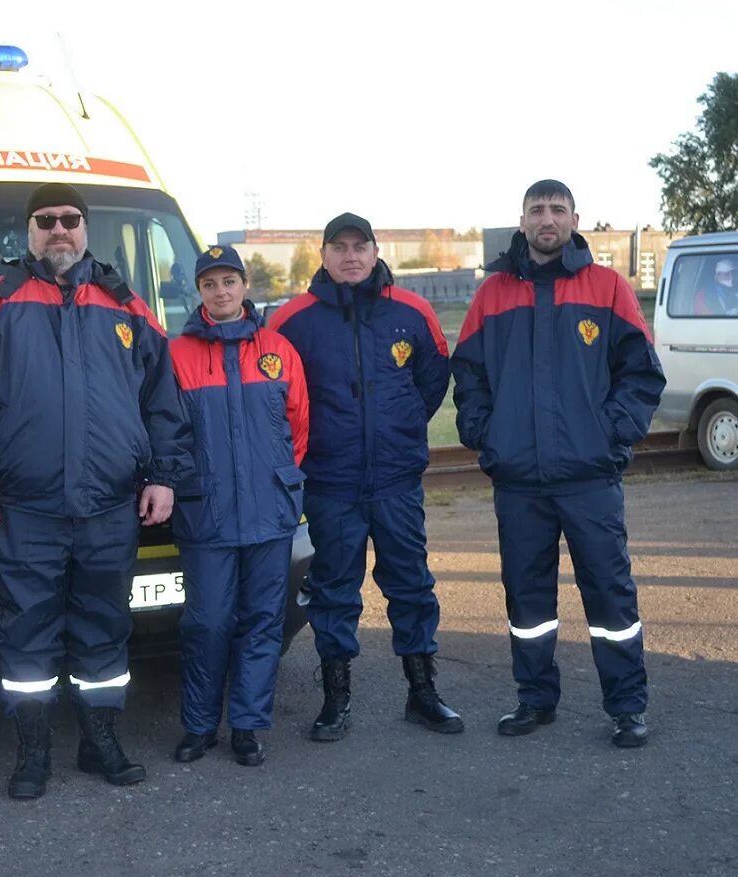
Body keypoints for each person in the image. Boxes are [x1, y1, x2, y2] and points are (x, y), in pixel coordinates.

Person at [0, 182, 192, 799]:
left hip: (110, 505)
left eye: (70, 220)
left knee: (105, 628)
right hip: (24, 507)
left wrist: (163, 476)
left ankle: (99, 742)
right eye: (46, 220)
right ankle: (33, 753)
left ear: (86, 228)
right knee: (26, 633)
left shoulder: (127, 305)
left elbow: (164, 403)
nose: (59, 230)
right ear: (28, 231)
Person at [451, 180, 665, 748]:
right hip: (519, 479)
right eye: (537, 210)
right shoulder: (492, 293)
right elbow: (467, 376)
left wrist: (609, 435)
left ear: (575, 219)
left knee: (610, 596)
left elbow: (641, 375)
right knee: (528, 601)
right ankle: (535, 699)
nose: (548, 219)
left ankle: (626, 706)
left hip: (589, 477)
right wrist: (485, 435)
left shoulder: (608, 288)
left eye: (558, 210)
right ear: (521, 221)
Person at [269, 212, 463, 742]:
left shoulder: (412, 312)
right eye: (340, 247)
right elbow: (275, 397)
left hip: (396, 481)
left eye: (360, 246)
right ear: (323, 255)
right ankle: (336, 699)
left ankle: (422, 693)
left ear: (376, 252)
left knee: (412, 586)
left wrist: (397, 429)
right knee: (333, 591)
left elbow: (432, 379)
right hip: (330, 484)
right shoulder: (292, 321)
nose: (350, 256)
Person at [168, 246, 309, 767]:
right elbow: (166, 432)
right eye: (210, 284)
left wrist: (276, 480)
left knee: (262, 621)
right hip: (206, 513)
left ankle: (248, 725)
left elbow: (297, 427)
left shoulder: (277, 350)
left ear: (245, 286)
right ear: (199, 291)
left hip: (270, 513)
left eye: (229, 281)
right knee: (206, 622)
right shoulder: (176, 354)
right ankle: (200, 726)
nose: (220, 291)